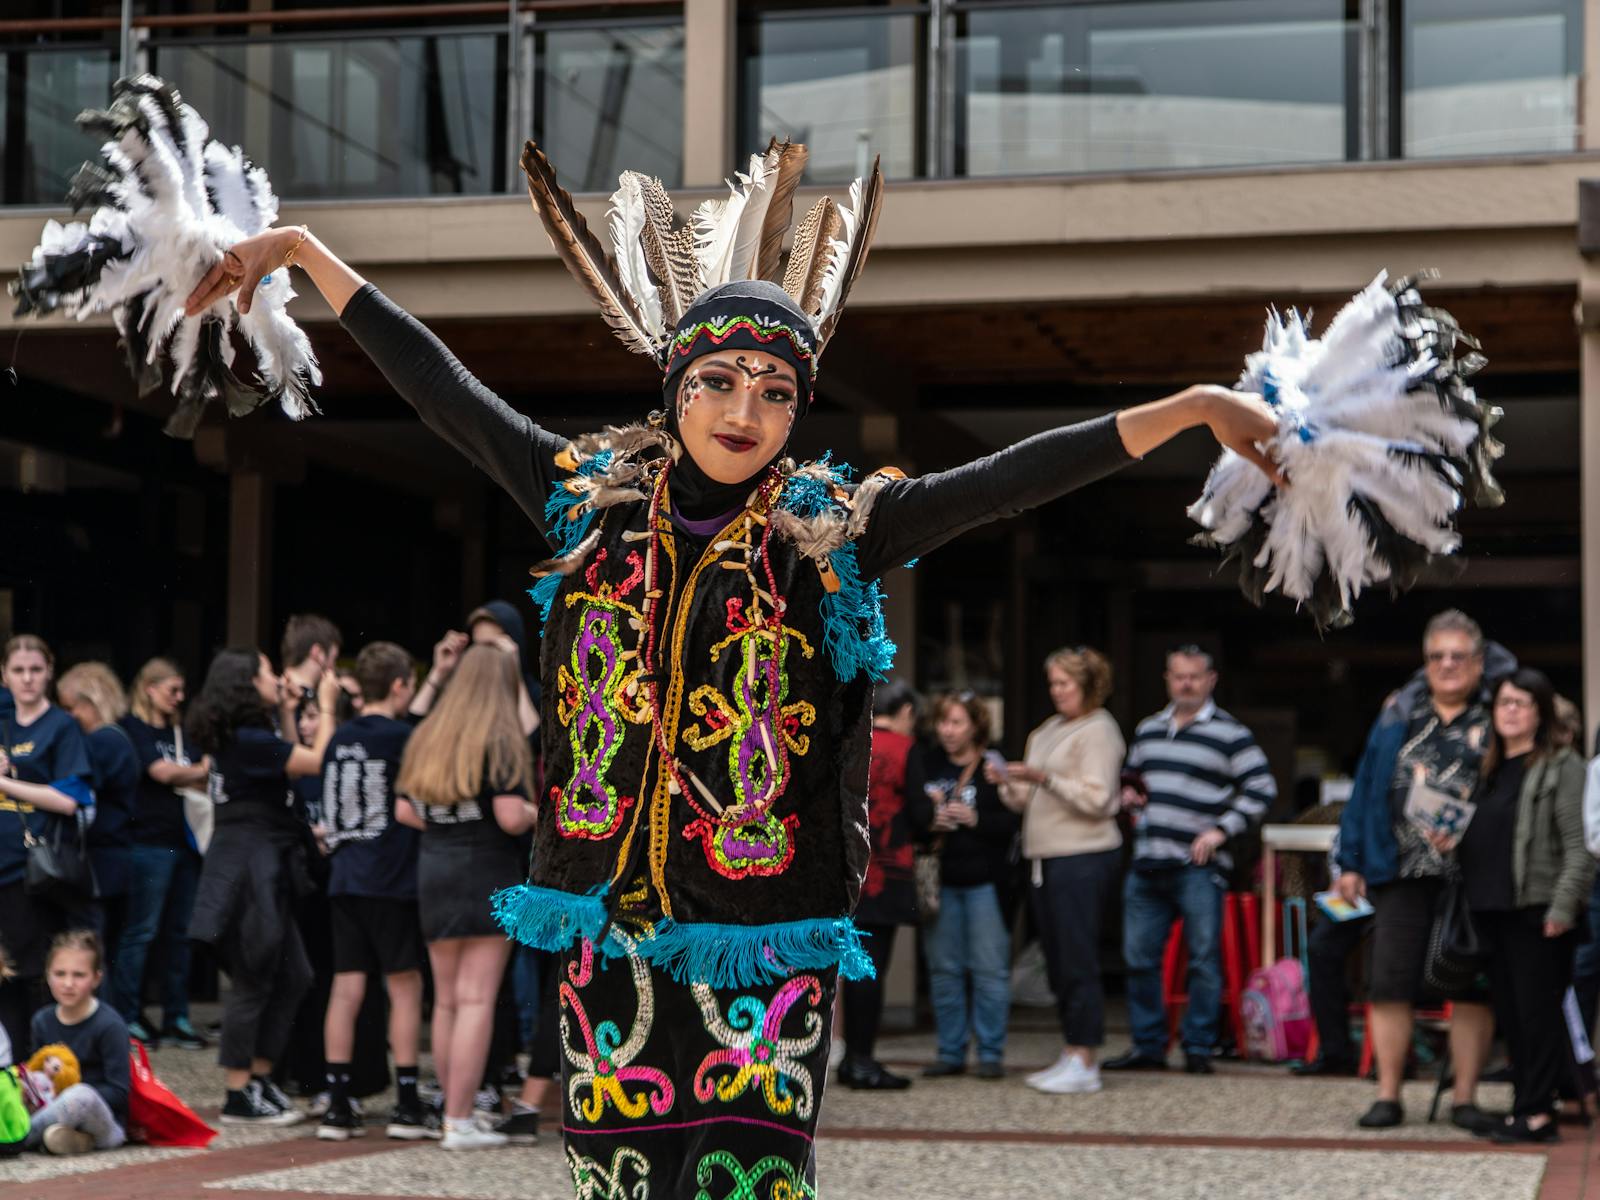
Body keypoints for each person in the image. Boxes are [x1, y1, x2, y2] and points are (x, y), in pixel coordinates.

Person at [186, 142, 1280, 1193]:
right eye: (718, 380)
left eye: (774, 390)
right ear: (675, 386)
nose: (743, 411)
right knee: (623, 1180)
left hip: (762, 932)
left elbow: (1005, 480)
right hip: (605, 917)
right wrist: (296, 252)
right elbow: (445, 392)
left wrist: (1185, 409)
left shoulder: (833, 533)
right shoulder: (584, 502)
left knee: (745, 1184)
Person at [1335, 610, 1501, 1130]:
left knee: (1471, 985)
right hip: (1400, 870)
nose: (1447, 665)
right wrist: (1350, 860)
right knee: (1389, 982)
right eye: (1437, 656)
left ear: (1478, 663)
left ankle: (1465, 1098)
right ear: (1424, 663)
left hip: (1473, 875)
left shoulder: (1497, 714)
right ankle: (1388, 1096)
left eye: (1458, 655)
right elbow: (1366, 788)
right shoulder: (1397, 715)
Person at [186, 646, 340, 1125]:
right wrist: (329, 705)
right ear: (246, 683)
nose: (276, 676)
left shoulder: (252, 735)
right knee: (254, 974)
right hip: (248, 862)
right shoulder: (247, 738)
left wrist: (290, 710)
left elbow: (289, 766)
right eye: (267, 671)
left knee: (295, 975)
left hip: (260, 856)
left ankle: (259, 1078)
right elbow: (315, 761)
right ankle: (238, 1092)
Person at [1105, 645, 1275, 1075]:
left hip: (1198, 867)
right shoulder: (1148, 729)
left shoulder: (1230, 733)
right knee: (1139, 958)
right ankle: (1149, 1047)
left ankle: (1197, 1047)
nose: (1185, 684)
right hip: (1147, 861)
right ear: (1167, 678)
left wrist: (1220, 831)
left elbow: (1262, 788)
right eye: (1178, 676)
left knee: (1203, 959)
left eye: (1194, 677)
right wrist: (1130, 798)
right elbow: (1134, 780)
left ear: (1211, 680)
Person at [395, 643, 535, 1151]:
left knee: (449, 1001)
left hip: (435, 869)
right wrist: (538, 815)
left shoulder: (430, 735)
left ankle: (450, 1117)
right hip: (485, 872)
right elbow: (509, 817)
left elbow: (405, 810)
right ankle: (460, 1119)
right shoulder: (500, 740)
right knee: (477, 999)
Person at [1455, 669, 1593, 1143]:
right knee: (1512, 1017)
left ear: (1540, 712)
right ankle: (1524, 1108)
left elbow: (1580, 846)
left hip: (1538, 912)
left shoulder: (1562, 766)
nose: (1510, 711)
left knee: (1539, 1016)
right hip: (1492, 910)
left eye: (1521, 702)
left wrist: (1562, 908)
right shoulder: (1489, 769)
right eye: (1503, 703)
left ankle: (1538, 1115)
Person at [993, 646, 1124, 1095]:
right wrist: (1009, 783)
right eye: (1053, 683)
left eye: (1065, 683)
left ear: (1088, 685)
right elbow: (1028, 802)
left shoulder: (1100, 730)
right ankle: (1071, 1050)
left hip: (1082, 857)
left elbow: (1100, 799)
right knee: (1059, 958)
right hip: (1044, 858)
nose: (1057, 691)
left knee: (1078, 956)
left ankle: (1086, 1058)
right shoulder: (1048, 729)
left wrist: (1043, 778)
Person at [316, 641, 430, 1143]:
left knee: (346, 986)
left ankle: (337, 1101)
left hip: (345, 874)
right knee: (404, 986)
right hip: (391, 875)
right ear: (401, 685)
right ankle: (406, 1099)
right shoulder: (405, 737)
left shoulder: (340, 737)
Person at [906, 692, 1019, 1079]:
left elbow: (1013, 825)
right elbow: (911, 815)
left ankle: (990, 1053)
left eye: (957, 723)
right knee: (944, 970)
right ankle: (950, 1051)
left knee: (990, 970)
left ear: (975, 726)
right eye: (944, 722)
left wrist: (975, 819)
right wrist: (931, 815)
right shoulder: (926, 762)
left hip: (986, 882)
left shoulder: (993, 765)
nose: (948, 731)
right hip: (942, 880)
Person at [0, 635, 94, 1060]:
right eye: (18, 670)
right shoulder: (3, 723)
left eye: (35, 670)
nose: (27, 679)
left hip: (31, 873)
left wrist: (4, 781)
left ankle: (34, 1076)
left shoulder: (62, 726)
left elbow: (70, 798)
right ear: (4, 674)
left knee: (32, 978)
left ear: (49, 672)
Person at [114, 657, 209, 1049]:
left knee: (181, 933)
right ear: (149, 688)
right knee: (142, 931)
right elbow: (162, 773)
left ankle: (177, 1016)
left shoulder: (181, 729)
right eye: (172, 689)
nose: (179, 697)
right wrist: (200, 768)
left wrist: (194, 769)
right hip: (146, 842)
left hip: (185, 840)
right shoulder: (131, 728)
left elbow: (193, 772)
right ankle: (129, 1015)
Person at [838, 680, 919, 1090]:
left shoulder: (852, 741)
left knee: (852, 967)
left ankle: (851, 1056)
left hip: (848, 869)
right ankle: (862, 1059)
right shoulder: (906, 750)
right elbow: (920, 814)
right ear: (905, 710)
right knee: (871, 969)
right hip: (887, 871)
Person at [55, 664, 140, 967]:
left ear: (92, 701)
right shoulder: (120, 738)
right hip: (116, 859)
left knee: (91, 951)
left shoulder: (102, 742)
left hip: (99, 863)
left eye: (71, 707)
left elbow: (79, 792)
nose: (68, 716)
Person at [25, 930, 130, 1156]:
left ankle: (20, 1138)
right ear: (47, 975)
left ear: (97, 978)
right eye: (60, 974)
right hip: (53, 1111)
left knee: (80, 1095)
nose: (68, 983)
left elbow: (119, 1092)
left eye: (79, 975)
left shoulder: (109, 1025)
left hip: (103, 1121)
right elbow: (36, 1070)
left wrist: (66, 1090)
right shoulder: (42, 1020)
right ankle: (73, 1140)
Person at [278, 614, 343, 736]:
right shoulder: (310, 700)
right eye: (333, 659)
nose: (333, 668)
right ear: (317, 653)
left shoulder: (272, 694)